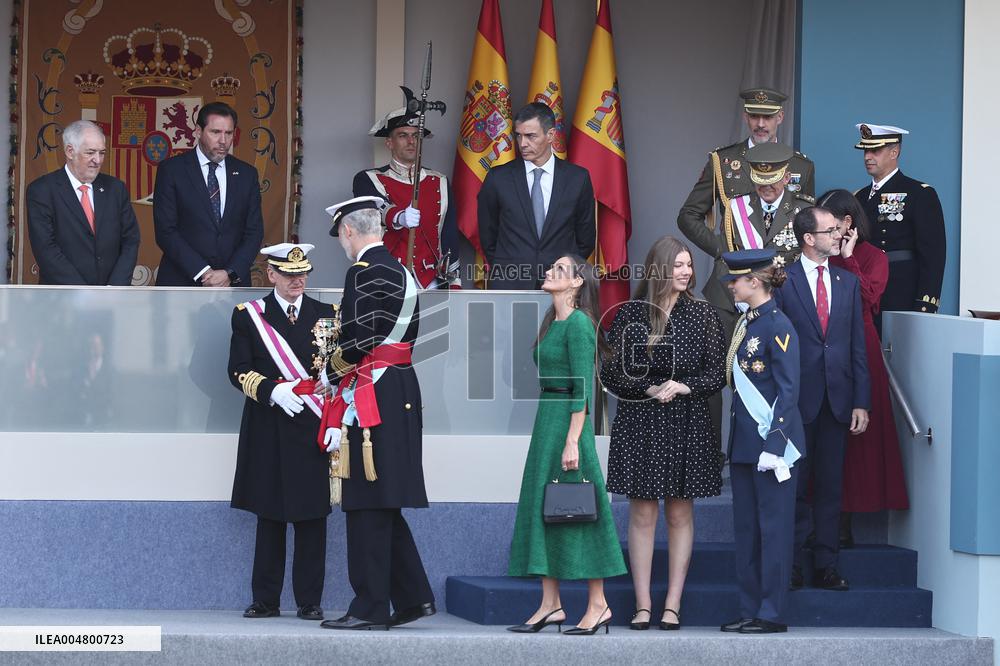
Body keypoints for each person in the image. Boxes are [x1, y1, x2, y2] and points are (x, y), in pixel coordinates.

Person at [319, 196, 435, 631]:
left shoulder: (363, 272)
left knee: (366, 500)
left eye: (340, 236)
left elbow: (358, 339)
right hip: (399, 385)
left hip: (373, 390)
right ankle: (413, 598)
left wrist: (329, 372)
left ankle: (370, 606)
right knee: (385, 502)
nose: (342, 245)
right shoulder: (402, 270)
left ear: (349, 231)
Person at [600, 236, 726, 631]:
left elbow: (718, 372)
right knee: (641, 512)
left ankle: (671, 604)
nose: (687, 272)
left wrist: (686, 386)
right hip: (641, 419)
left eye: (689, 265)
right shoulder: (632, 314)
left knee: (679, 511)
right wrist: (649, 388)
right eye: (679, 265)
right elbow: (612, 371)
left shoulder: (703, 315)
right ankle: (642, 605)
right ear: (659, 269)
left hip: (686, 418)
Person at [506, 255, 626, 635]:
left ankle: (598, 604)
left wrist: (573, 440)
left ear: (577, 283)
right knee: (546, 509)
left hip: (569, 426)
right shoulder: (552, 321)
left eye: (560, 270)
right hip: (548, 420)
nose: (549, 273)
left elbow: (583, 388)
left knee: (581, 511)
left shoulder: (579, 324)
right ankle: (551, 604)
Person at [227, 243, 334, 621]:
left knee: (311, 516)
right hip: (269, 423)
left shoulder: (327, 315)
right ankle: (265, 600)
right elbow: (236, 369)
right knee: (269, 515)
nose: (297, 280)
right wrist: (274, 390)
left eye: (302, 273)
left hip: (311, 423)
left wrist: (334, 414)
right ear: (271, 275)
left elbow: (339, 373)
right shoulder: (249, 315)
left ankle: (309, 600)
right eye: (289, 275)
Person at [773, 207, 871, 591]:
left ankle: (827, 565)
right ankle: (793, 564)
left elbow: (856, 346)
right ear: (809, 238)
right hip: (797, 402)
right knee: (795, 487)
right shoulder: (784, 281)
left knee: (831, 487)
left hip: (838, 400)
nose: (839, 235)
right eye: (830, 230)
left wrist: (861, 401)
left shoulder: (847, 283)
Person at [678, 87, 815, 332]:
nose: (760, 124)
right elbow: (688, 216)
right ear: (745, 116)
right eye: (754, 116)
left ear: (780, 117)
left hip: (781, 287)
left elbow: (806, 226)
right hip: (731, 287)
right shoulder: (722, 161)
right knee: (725, 365)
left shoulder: (800, 165)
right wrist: (722, 249)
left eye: (768, 117)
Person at [717, 248, 803, 635]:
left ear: (754, 281)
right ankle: (750, 607)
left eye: (735, 279)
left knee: (773, 531)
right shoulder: (747, 323)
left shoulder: (778, 325)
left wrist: (775, 442)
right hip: (745, 446)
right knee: (748, 531)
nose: (731, 285)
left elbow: (788, 391)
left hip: (772, 449)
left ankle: (771, 612)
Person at [821, 189, 909, 545]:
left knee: (858, 435)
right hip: (825, 345)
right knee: (824, 428)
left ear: (847, 223)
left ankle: (845, 520)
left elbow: (870, 298)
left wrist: (846, 257)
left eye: (829, 223)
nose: (823, 229)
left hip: (860, 348)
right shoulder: (817, 255)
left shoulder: (874, 256)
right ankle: (820, 516)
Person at [478, 102, 595, 289]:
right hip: (510, 283)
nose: (523, 143)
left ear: (551, 135)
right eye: (519, 135)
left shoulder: (577, 178)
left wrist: (563, 270)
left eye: (531, 136)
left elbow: (586, 238)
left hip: (561, 285)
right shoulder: (497, 178)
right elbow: (487, 234)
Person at [153, 101, 264, 287]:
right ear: (198, 131)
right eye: (215, 132)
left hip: (232, 284)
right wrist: (204, 272)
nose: (223, 140)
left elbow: (254, 232)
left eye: (228, 133)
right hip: (181, 282)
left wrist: (230, 272)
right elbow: (166, 231)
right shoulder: (172, 170)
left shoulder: (247, 173)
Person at [353, 100, 461, 288]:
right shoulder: (369, 179)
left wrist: (454, 281)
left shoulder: (439, 181)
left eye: (416, 136)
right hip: (386, 279)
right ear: (389, 142)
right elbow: (372, 210)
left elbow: (449, 236)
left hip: (432, 281)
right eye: (403, 135)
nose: (411, 141)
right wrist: (399, 216)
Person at [26, 119, 140, 285]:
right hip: (63, 300)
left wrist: (115, 288)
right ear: (70, 151)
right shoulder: (42, 190)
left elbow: (131, 240)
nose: (98, 160)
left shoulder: (116, 189)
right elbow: (46, 249)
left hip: (110, 298)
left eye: (102, 153)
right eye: (90, 152)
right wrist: (83, 294)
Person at [853, 123, 946, 322]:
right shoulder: (859, 197)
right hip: (863, 291)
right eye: (865, 150)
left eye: (875, 150)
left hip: (900, 292)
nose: (868, 156)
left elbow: (933, 254)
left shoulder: (919, 193)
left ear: (894, 151)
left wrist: (925, 303)